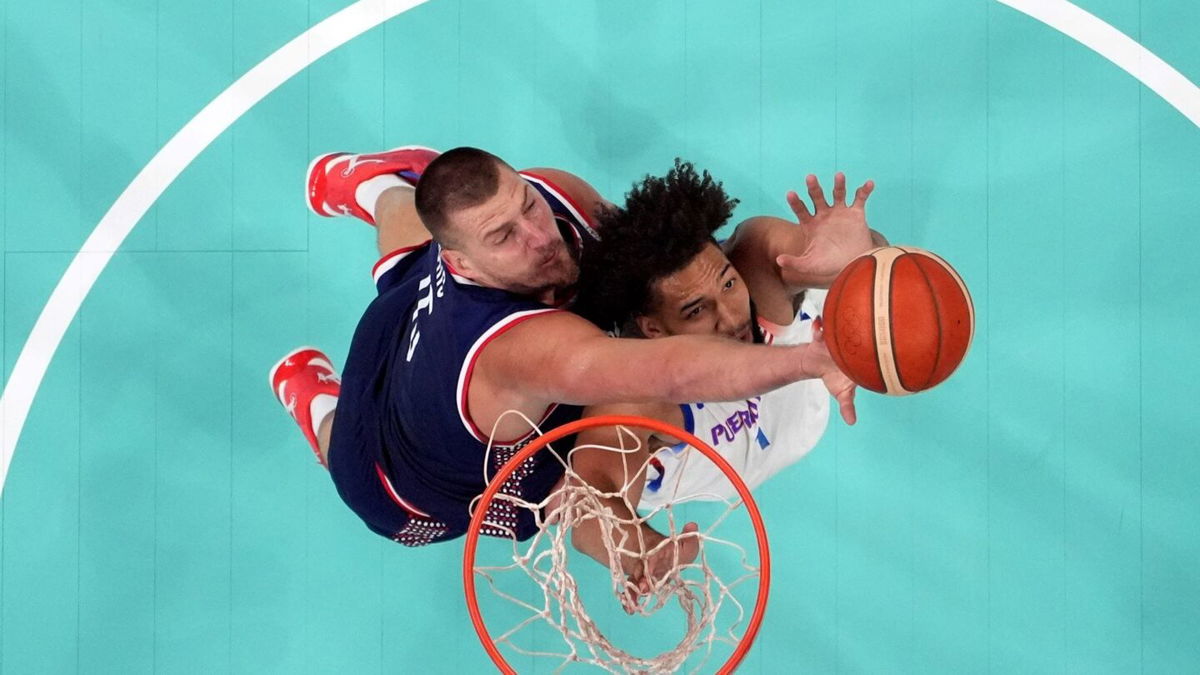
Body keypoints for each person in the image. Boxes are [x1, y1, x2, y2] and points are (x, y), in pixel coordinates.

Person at [269, 146, 861, 548]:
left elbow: (650, 259)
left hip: (442, 301)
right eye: (505, 235)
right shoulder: (523, 349)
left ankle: (378, 183)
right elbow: (667, 374)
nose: (539, 237)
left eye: (526, 205)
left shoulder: (557, 199)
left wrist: (860, 258)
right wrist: (806, 359)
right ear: (465, 261)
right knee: (351, 459)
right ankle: (313, 397)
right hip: (407, 466)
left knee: (406, 263)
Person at [563, 160, 885, 587]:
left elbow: (870, 265)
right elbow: (590, 496)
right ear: (653, 329)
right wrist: (636, 546)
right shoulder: (633, 389)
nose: (732, 316)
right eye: (697, 310)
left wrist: (864, 252)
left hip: (802, 408)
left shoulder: (757, 256)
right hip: (711, 476)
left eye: (728, 284)